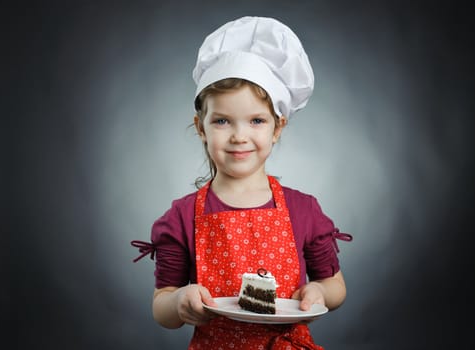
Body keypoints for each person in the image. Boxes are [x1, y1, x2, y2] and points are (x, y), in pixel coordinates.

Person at [131, 16, 352, 349]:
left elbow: (336, 287)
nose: (239, 136)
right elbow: (161, 304)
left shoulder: (303, 209)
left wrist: (318, 291)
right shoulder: (181, 216)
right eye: (222, 120)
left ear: (277, 128)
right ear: (201, 127)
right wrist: (179, 302)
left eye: (256, 121)